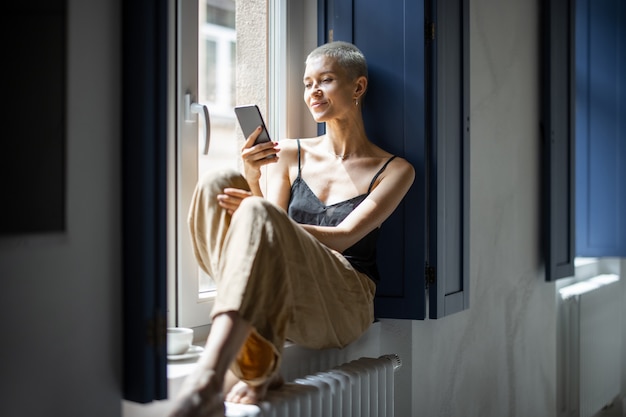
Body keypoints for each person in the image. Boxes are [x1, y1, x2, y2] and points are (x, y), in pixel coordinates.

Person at [169, 41, 415, 417]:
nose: (312, 91)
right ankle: (257, 359)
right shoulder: (289, 154)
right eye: (306, 83)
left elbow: (347, 236)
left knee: (260, 213)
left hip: (346, 299)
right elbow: (267, 231)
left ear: (358, 87)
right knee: (219, 181)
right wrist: (253, 176)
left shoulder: (395, 170)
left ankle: (208, 380)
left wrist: (263, 212)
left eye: (326, 80)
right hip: (288, 289)